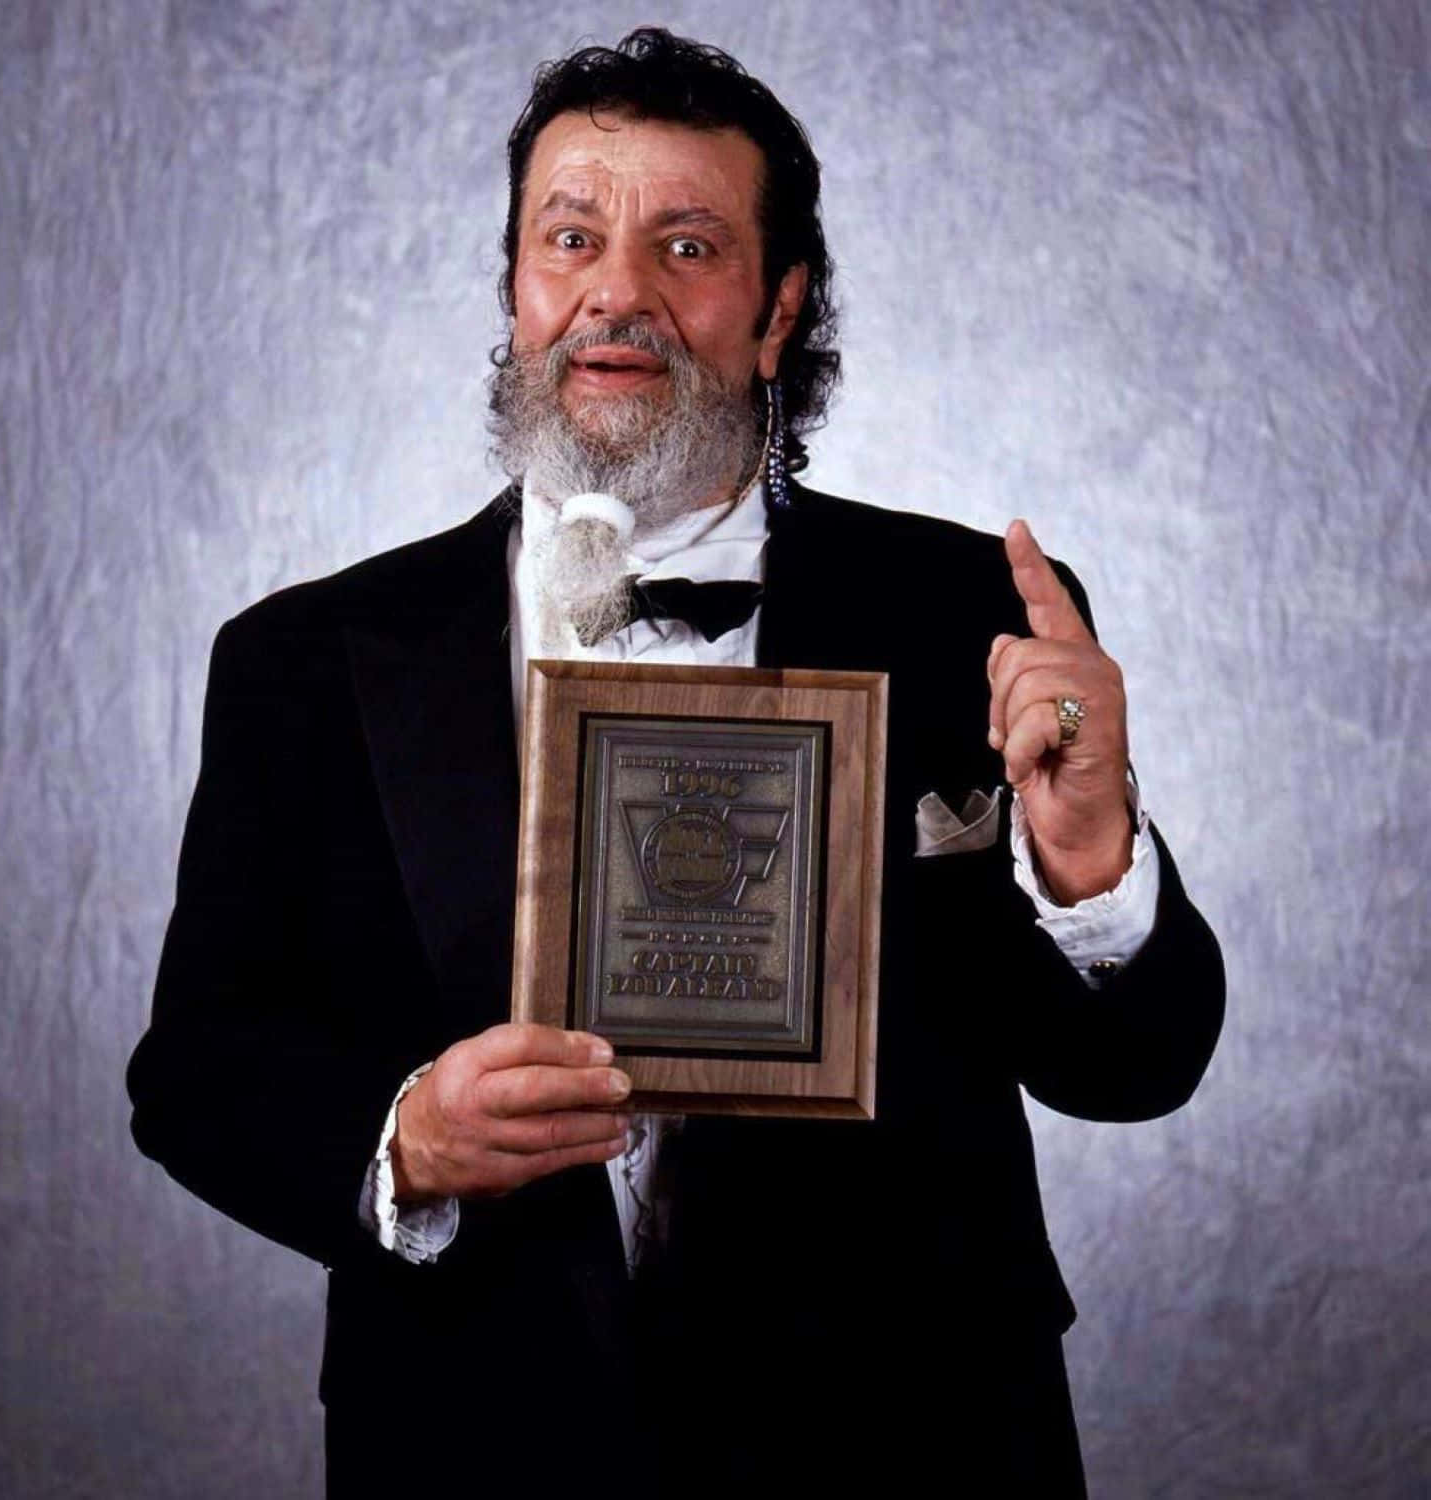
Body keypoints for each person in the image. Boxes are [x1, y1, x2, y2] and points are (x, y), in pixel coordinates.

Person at [127, 27, 1224, 1495]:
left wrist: (1090, 863)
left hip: (913, 1444)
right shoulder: (304, 657)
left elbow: (1134, 1070)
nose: (618, 293)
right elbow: (197, 1072)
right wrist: (408, 1141)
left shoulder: (975, 619)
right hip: (472, 1445)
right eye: (571, 237)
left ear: (780, 311)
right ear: (516, 286)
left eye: (688, 246)